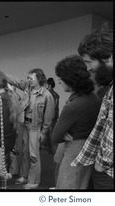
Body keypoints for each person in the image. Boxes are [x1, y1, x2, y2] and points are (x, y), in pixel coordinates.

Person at [71, 23, 113, 189]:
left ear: (108, 57)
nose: (88, 68)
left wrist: (102, 164)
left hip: (107, 173)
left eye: (89, 62)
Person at [52, 55, 101, 189]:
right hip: (89, 148)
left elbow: (55, 136)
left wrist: (65, 132)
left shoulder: (72, 106)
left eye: (60, 77)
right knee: (81, 184)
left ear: (70, 80)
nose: (58, 80)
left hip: (74, 150)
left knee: (68, 185)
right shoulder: (94, 97)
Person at [6, 68, 55, 189]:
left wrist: (43, 133)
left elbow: (48, 119)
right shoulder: (28, 88)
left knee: (34, 155)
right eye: (28, 78)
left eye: (31, 78)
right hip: (26, 125)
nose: (28, 80)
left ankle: (34, 180)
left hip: (35, 127)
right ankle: (25, 176)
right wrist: (1, 73)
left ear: (39, 79)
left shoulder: (46, 95)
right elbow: (15, 80)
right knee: (25, 152)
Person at [44, 77, 60, 154]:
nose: (44, 86)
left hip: (50, 116)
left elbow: (50, 107)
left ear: (49, 85)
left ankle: (52, 149)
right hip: (54, 116)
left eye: (46, 84)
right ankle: (52, 149)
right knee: (51, 132)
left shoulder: (48, 94)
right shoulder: (56, 95)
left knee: (49, 133)